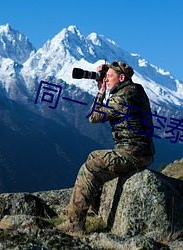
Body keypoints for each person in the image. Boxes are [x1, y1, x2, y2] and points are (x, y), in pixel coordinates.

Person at [57, 61, 155, 233]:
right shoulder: (136, 89)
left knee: (90, 168)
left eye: (110, 77)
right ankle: (94, 210)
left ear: (122, 78)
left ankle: (74, 224)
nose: (106, 79)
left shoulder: (121, 98)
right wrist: (108, 73)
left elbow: (94, 117)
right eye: (106, 76)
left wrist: (100, 92)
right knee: (94, 156)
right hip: (141, 151)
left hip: (133, 153)